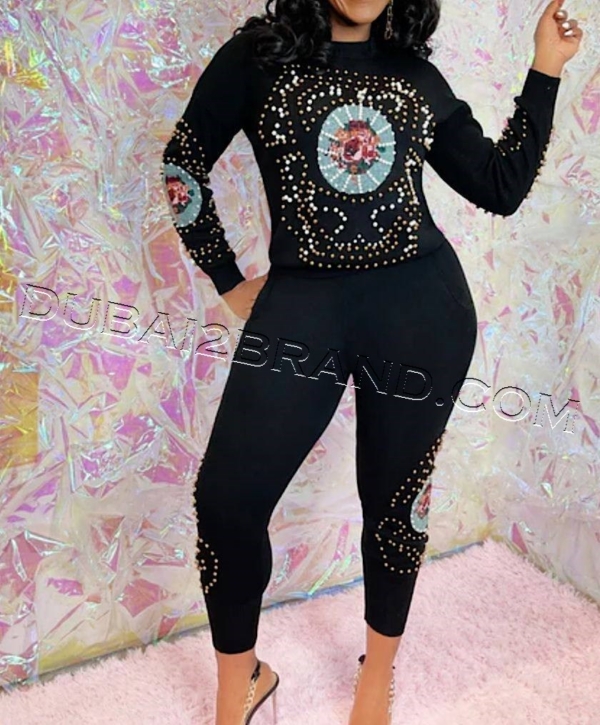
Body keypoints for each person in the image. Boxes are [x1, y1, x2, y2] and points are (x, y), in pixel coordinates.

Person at [160, 0, 583, 722]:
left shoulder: (412, 74)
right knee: (227, 502)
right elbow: (183, 160)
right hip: (303, 311)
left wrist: (545, 68)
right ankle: (241, 681)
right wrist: (227, 279)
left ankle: (376, 674)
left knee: (394, 506)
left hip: (422, 314)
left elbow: (500, 185)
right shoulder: (259, 56)